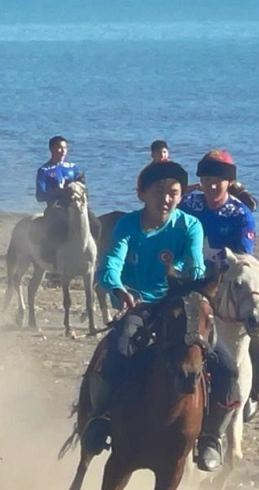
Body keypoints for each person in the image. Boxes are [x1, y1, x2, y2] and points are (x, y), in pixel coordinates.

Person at [84, 160, 241, 471]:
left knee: (227, 367)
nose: (166, 198)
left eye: (173, 192)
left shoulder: (189, 226)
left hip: (181, 303)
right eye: (158, 191)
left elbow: (195, 263)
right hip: (138, 304)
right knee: (118, 349)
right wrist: (117, 288)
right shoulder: (128, 224)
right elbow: (112, 262)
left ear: (181, 196)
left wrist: (188, 280)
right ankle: (101, 419)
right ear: (142, 193)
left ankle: (211, 437)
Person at [179, 149, 259, 421]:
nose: (212, 185)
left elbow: (244, 259)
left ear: (229, 182)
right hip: (189, 280)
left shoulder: (241, 214)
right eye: (207, 179)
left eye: (218, 180)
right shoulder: (189, 205)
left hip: (225, 283)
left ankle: (253, 394)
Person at [35, 135, 85, 242]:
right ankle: (51, 254)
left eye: (65, 148)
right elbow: (39, 196)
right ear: (52, 149)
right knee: (60, 227)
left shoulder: (73, 168)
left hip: (75, 206)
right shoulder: (44, 170)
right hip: (56, 207)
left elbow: (81, 185)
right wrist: (59, 192)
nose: (63, 151)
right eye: (59, 147)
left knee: (95, 223)